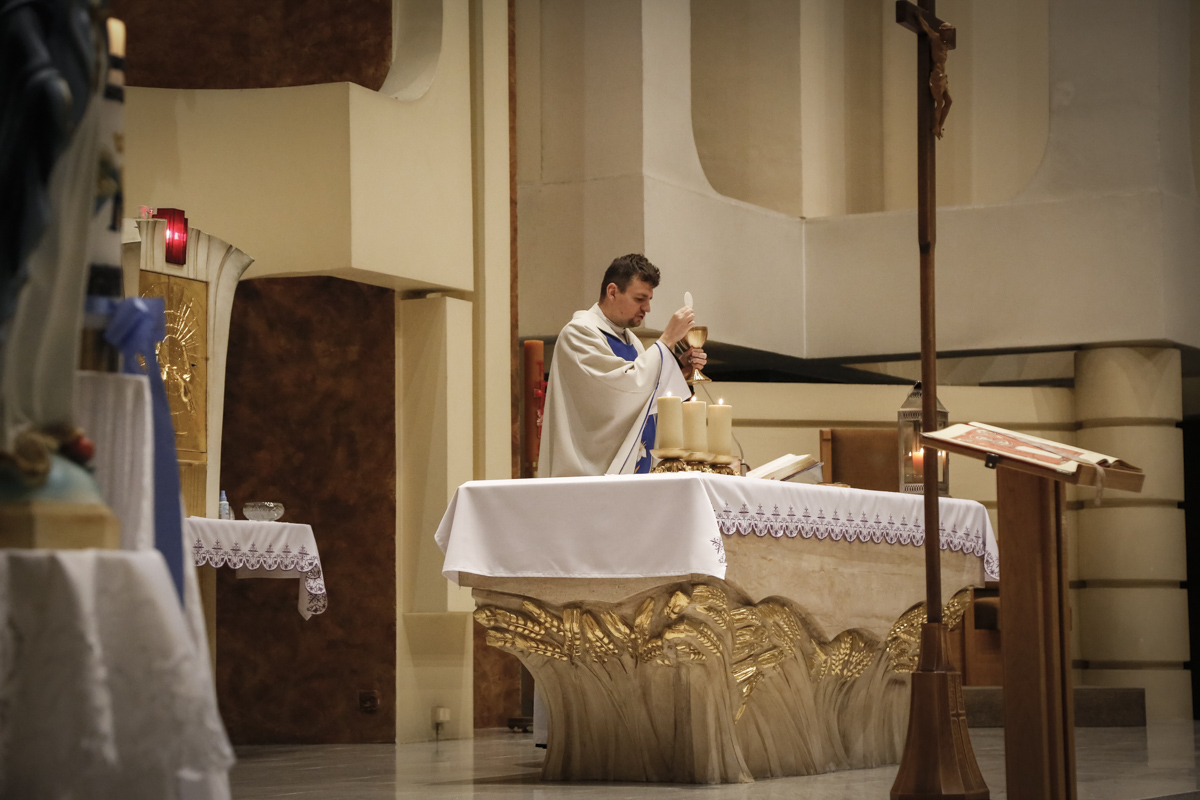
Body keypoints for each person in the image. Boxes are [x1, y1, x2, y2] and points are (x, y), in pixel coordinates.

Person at [537, 253, 705, 478]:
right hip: (591, 475)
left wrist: (678, 370)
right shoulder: (579, 334)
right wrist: (667, 340)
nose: (647, 308)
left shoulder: (632, 341)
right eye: (640, 299)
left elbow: (642, 394)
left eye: (649, 299)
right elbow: (618, 394)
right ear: (613, 292)